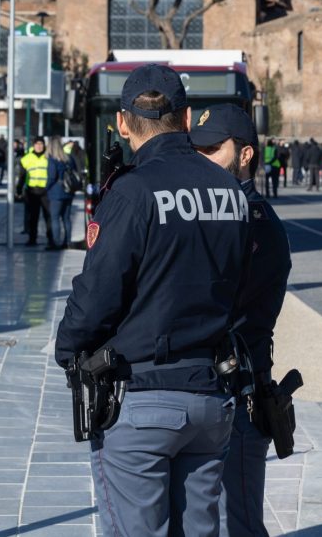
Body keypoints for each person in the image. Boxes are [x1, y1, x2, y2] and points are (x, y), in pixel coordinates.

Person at [54, 64, 249, 537]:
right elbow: (242, 287)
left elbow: (99, 290)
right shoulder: (229, 191)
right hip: (209, 395)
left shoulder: (132, 191)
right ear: (186, 120)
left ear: (122, 123)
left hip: (143, 398)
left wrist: (69, 350)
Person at [189, 105, 292, 537]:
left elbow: (226, 304)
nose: (202, 159)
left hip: (242, 391)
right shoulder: (211, 214)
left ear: (245, 154)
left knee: (241, 522)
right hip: (204, 390)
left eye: (213, 149)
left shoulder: (257, 221)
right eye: (197, 149)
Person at [17, 136, 55, 248]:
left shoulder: (48, 157)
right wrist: (18, 189)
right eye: (37, 144)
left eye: (41, 144)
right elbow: (22, 176)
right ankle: (32, 239)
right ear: (33, 145)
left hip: (46, 191)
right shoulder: (26, 159)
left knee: (48, 216)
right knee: (33, 217)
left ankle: (51, 239)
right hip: (32, 191)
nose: (39, 146)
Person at [47, 136, 75, 249]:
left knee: (55, 218)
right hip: (68, 191)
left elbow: (52, 176)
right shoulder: (69, 158)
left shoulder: (52, 159)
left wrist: (46, 187)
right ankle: (67, 242)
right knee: (66, 218)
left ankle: (56, 243)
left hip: (56, 192)